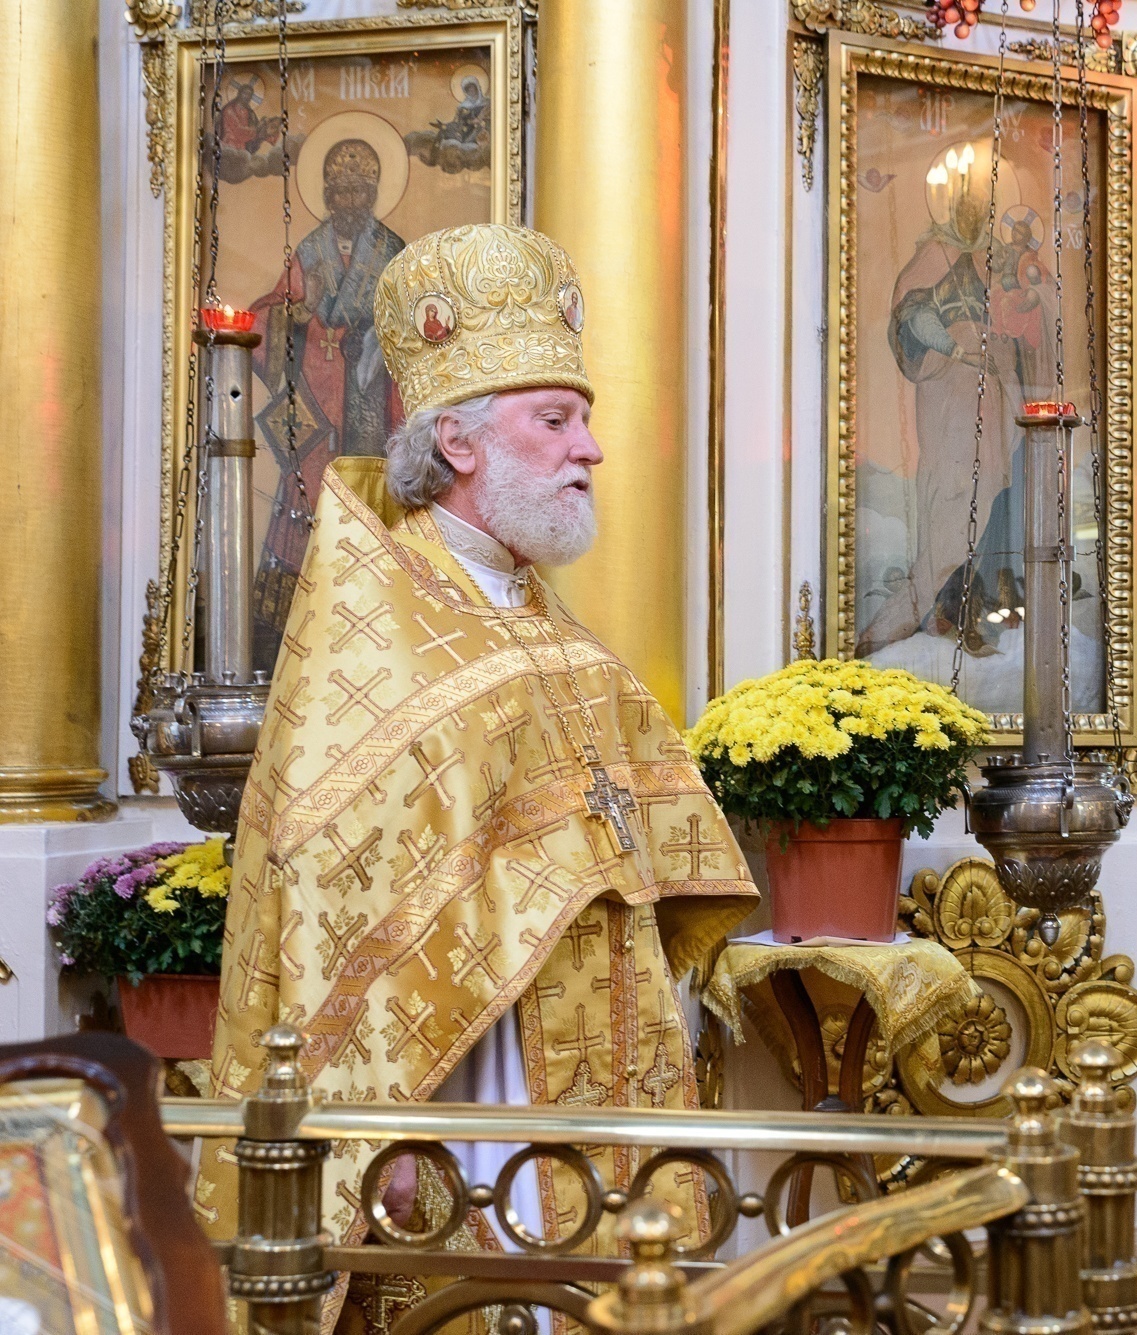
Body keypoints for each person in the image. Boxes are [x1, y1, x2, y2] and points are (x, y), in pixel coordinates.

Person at [196, 224, 760, 1322]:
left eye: (583, 419)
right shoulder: (374, 626)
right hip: (465, 1090)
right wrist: (380, 1129)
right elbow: (323, 899)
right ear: (457, 441)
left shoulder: (539, 620)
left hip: (595, 1069)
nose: (590, 448)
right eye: (555, 421)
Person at [248, 137, 409, 667]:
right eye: (339, 192)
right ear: (326, 195)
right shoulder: (310, 252)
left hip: (372, 398)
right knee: (306, 498)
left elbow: (413, 322)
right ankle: (288, 627)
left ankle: (374, 616)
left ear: (373, 196)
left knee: (374, 500)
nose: (348, 202)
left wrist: (381, 336)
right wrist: (296, 313)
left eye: (358, 192)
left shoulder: (392, 252)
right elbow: (270, 312)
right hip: (316, 407)